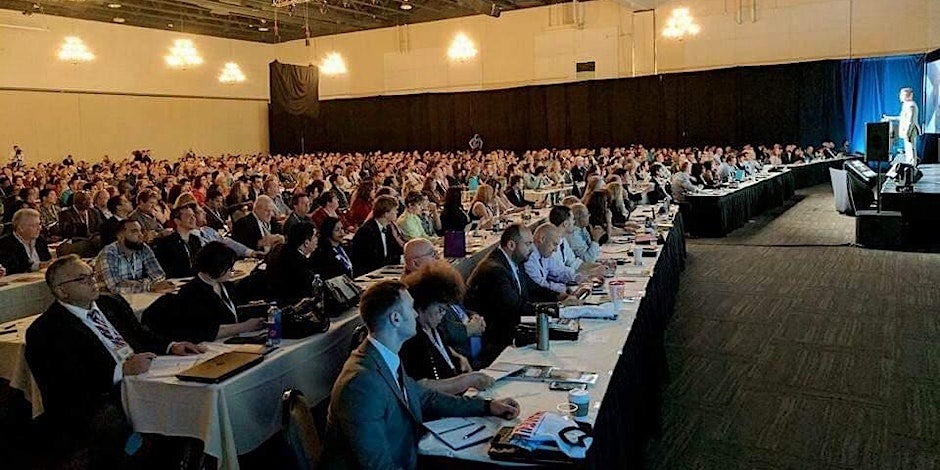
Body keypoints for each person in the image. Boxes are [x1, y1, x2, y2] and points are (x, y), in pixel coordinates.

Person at [25, 255, 203, 467]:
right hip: (98, 401)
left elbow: (140, 335)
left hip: (143, 382)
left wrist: (171, 345)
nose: (92, 281)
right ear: (61, 291)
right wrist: (121, 371)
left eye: (91, 275)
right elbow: (66, 384)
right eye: (82, 279)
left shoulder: (110, 303)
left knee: (193, 398)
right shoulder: (46, 331)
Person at [322, 280, 519, 469]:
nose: (416, 315)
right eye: (411, 308)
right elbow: (377, 465)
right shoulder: (362, 384)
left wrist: (488, 406)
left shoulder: (384, 357)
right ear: (396, 319)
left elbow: (427, 398)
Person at [465, 224, 562, 365]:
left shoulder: (514, 260)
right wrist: (556, 309)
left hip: (515, 324)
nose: (532, 248)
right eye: (528, 244)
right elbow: (516, 307)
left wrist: (559, 296)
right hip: (498, 339)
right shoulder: (494, 270)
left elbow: (531, 286)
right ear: (511, 245)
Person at [400, 261, 494, 394]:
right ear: (422, 305)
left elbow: (441, 351)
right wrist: (467, 380)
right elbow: (421, 386)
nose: (442, 315)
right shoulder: (413, 339)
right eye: (440, 309)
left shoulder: (434, 328)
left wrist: (456, 357)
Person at [171, 242, 265, 342]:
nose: (231, 272)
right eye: (228, 268)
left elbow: (233, 311)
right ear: (216, 267)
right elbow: (203, 330)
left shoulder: (225, 285)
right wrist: (244, 327)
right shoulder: (191, 293)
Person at [94, 219, 175, 295]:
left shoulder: (143, 248)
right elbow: (114, 287)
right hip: (111, 302)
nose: (141, 235)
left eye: (141, 231)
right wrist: (149, 286)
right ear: (120, 236)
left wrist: (138, 283)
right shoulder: (109, 253)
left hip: (137, 297)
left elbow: (159, 274)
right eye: (134, 231)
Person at [265, 221, 319, 305]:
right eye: (315, 236)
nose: (317, 239)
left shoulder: (282, 250)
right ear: (306, 242)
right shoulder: (300, 264)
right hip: (292, 305)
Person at [350, 195, 404, 276]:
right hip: (369, 273)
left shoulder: (388, 228)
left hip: (383, 270)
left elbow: (395, 250)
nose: (397, 212)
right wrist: (399, 259)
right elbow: (372, 259)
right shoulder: (367, 231)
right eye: (394, 210)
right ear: (386, 213)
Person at [153, 205, 204, 278]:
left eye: (193, 215)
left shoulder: (195, 240)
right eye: (188, 215)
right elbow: (169, 270)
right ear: (177, 221)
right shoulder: (167, 243)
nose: (193, 218)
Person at [0, 208, 52, 274]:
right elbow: (12, 269)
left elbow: (47, 261)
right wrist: (38, 266)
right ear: (20, 228)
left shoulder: (40, 240)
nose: (39, 228)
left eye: (39, 224)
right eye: (33, 226)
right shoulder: (5, 244)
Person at [883, 87, 922, 165]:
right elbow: (902, 118)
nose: (900, 96)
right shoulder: (906, 105)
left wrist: (907, 133)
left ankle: (912, 166)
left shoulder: (911, 105)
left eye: (902, 94)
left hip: (910, 130)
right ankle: (910, 165)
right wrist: (889, 118)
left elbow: (910, 121)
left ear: (906, 95)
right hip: (907, 130)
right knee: (908, 149)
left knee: (910, 149)